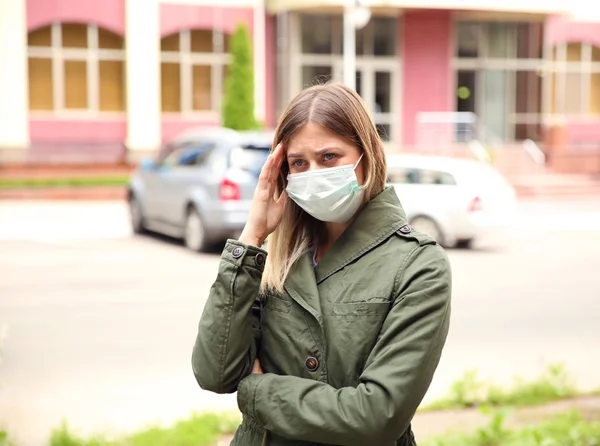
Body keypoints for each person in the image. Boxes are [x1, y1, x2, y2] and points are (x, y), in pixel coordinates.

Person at [191, 82, 452, 446]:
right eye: (299, 163)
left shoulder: (417, 265)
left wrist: (259, 391)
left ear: (367, 156)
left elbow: (376, 417)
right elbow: (214, 372)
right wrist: (252, 236)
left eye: (329, 157)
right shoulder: (276, 257)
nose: (314, 173)